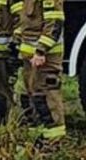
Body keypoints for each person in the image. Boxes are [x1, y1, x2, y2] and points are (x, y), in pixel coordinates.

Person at [15, 0, 66, 141]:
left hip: (45, 58)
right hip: (30, 57)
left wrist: (41, 51)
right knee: (30, 96)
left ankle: (53, 141)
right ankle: (38, 136)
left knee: (46, 96)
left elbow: (54, 23)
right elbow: (27, 22)